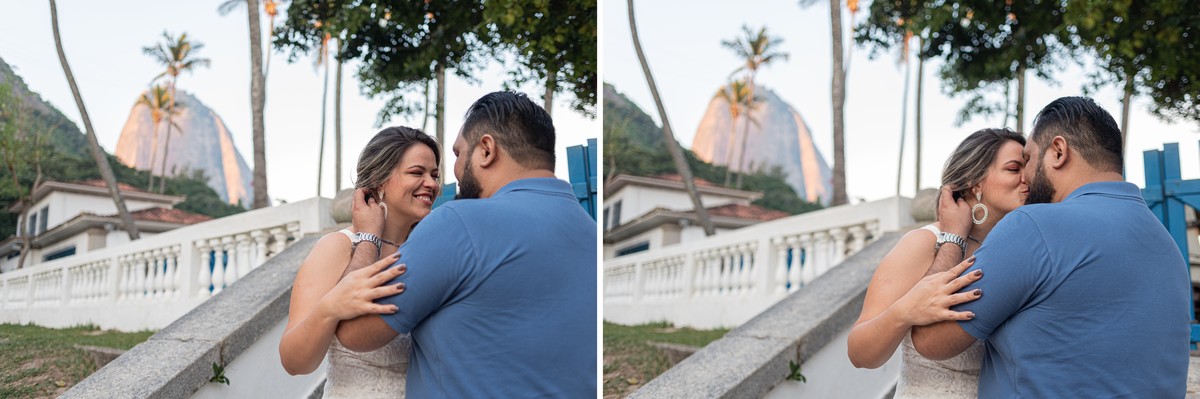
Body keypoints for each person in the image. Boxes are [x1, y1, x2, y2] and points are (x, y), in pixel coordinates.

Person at [911, 97, 1190, 397]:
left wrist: (953, 237)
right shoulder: (1166, 243)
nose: (1025, 178)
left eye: (1028, 159)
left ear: (1058, 152)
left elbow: (930, 337)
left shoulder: (1034, 225)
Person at [335, 91, 597, 398]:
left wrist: (367, 237)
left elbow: (352, 329)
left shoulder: (459, 223)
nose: (451, 174)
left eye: (458, 155)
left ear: (486, 149)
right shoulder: (590, 231)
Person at [847, 128, 1028, 397]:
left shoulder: (1020, 250)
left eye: (1028, 167)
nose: (1028, 178)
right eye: (1014, 169)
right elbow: (860, 353)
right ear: (975, 182)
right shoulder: (923, 243)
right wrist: (905, 311)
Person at [278, 127, 442, 398]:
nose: (432, 184)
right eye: (417, 173)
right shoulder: (337, 247)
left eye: (434, 175)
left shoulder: (431, 251)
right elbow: (295, 363)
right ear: (379, 181)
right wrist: (329, 309)